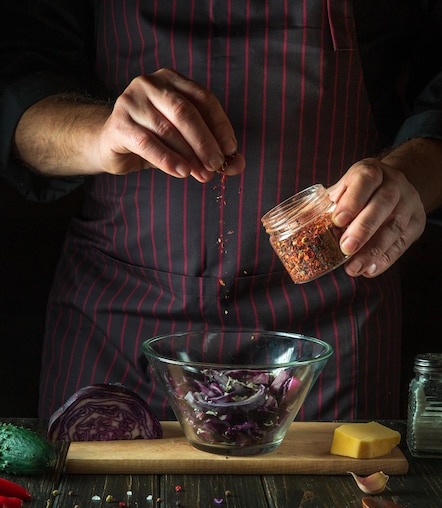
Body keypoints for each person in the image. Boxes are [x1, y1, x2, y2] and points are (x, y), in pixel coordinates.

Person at [1, 1, 442, 422]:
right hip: (120, 313)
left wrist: (407, 181)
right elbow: (14, 83)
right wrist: (99, 133)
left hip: (331, 325)